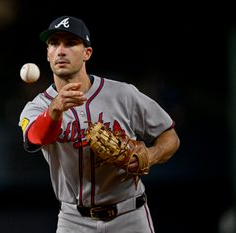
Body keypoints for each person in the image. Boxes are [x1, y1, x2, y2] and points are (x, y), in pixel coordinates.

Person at [18, 15, 180, 233]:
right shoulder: (39, 106)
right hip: (74, 220)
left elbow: (170, 137)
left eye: (71, 43)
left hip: (129, 215)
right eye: (54, 43)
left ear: (87, 53)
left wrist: (150, 156)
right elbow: (33, 139)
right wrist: (55, 110)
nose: (61, 50)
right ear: (47, 54)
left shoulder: (123, 94)